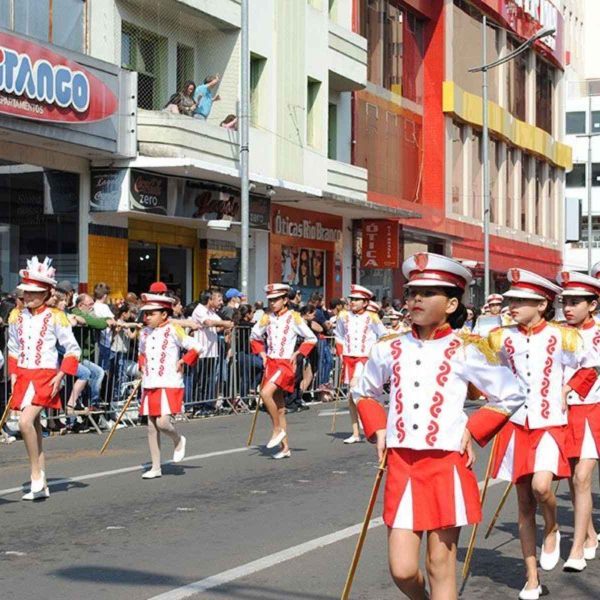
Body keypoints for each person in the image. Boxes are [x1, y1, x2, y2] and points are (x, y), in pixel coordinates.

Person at [353, 252, 526, 600]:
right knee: (402, 569)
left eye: (428, 293)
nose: (416, 298)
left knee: (439, 564)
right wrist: (379, 428)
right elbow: (363, 389)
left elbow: (511, 392)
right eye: (413, 291)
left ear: (450, 304)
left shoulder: (467, 349)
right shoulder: (390, 348)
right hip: (402, 465)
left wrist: (473, 430)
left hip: (446, 464)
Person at [488, 268, 600, 599]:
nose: (512, 306)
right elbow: (488, 375)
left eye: (520, 300)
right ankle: (534, 575)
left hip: (571, 416)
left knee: (569, 480)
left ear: (540, 303)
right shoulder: (502, 336)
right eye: (511, 300)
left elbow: (588, 368)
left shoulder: (564, 337)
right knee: (535, 496)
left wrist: (566, 388)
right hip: (520, 423)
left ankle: (575, 543)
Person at [7, 257, 81, 500]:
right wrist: (14, 374)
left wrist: (61, 375)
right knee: (34, 426)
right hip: (24, 376)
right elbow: (13, 348)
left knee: (25, 423)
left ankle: (35, 475)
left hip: (45, 377)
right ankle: (41, 482)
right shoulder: (17, 316)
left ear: (47, 293)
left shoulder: (55, 317)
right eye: (25, 293)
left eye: (34, 293)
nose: (28, 297)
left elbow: (73, 349)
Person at [556, 271, 600, 571]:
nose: (568, 308)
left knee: (583, 477)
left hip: (592, 409)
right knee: (574, 479)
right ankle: (590, 535)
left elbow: (592, 370)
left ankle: (577, 549)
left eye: (575, 302)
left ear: (592, 305)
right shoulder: (557, 332)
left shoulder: (598, 333)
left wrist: (567, 388)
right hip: (563, 412)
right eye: (565, 302)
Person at [138, 294, 202, 479]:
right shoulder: (144, 333)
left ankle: (178, 439)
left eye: (151, 313)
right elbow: (141, 352)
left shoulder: (174, 329)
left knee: (163, 422)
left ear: (164, 314)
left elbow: (196, 347)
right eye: (146, 313)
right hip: (150, 382)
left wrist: (183, 360)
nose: (147, 317)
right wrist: (141, 364)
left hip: (169, 382)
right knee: (151, 426)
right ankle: (156, 467)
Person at [250, 283, 317, 459]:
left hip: (284, 364)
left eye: (276, 300)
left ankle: (277, 429)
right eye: (270, 300)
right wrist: (262, 354)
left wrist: (298, 353)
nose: (272, 303)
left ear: (285, 300)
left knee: (265, 394)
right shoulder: (266, 318)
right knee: (279, 408)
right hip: (271, 364)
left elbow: (311, 338)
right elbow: (254, 336)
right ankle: (285, 447)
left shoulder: (294, 317)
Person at [334, 284, 387, 444]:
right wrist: (341, 353)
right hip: (349, 358)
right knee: (351, 397)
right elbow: (338, 335)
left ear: (365, 302)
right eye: (352, 299)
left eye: (357, 300)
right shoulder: (343, 316)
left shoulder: (372, 317)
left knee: (355, 389)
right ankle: (356, 432)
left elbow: (383, 335)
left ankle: (371, 420)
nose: (353, 302)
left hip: (364, 359)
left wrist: (374, 352)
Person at [190, 290, 234, 415]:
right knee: (200, 380)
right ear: (210, 300)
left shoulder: (211, 312)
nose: (219, 302)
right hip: (201, 350)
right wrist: (223, 323)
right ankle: (198, 406)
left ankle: (208, 405)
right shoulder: (199, 310)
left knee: (209, 379)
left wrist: (226, 325)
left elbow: (218, 324)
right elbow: (208, 323)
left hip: (212, 351)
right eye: (217, 299)